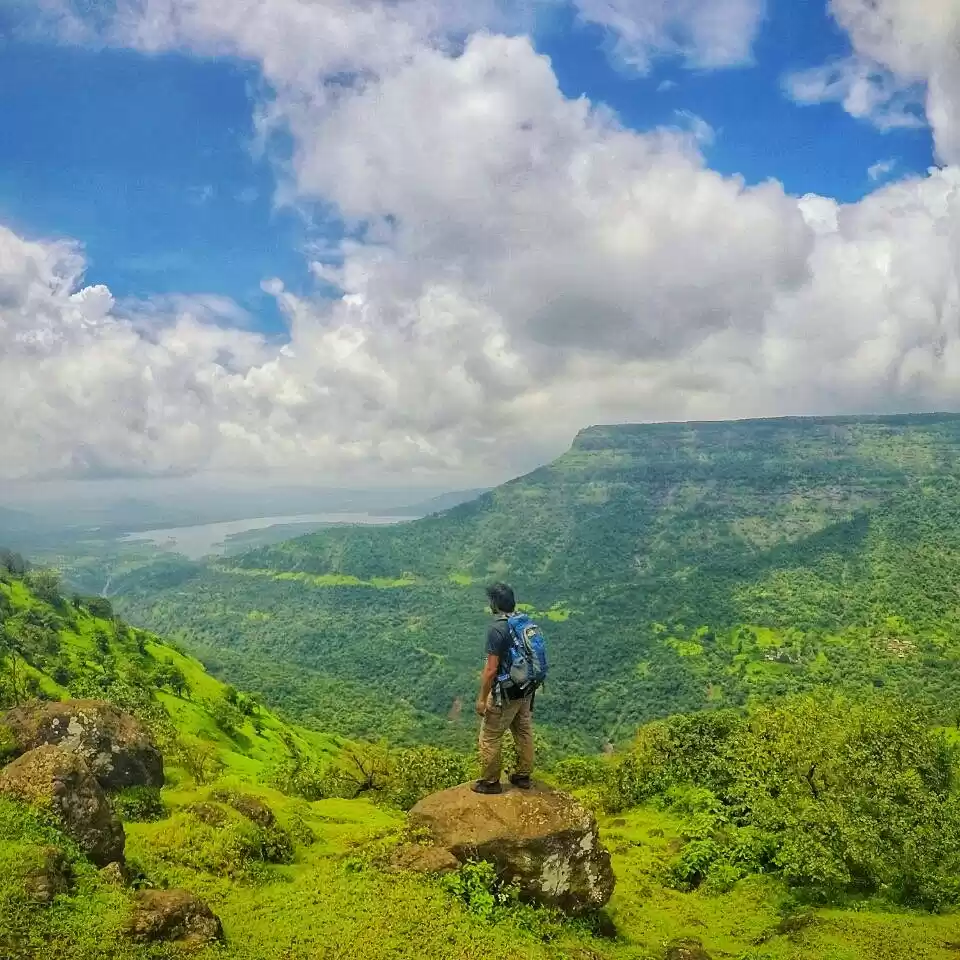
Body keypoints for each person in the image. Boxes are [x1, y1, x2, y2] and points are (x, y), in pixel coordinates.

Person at [473, 581, 535, 795]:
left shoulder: (497, 628)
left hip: (506, 693)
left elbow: (491, 669)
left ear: (495, 604)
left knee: (490, 735)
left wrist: (482, 699)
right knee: (523, 730)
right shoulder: (524, 622)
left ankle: (490, 782)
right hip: (526, 688)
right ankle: (523, 776)